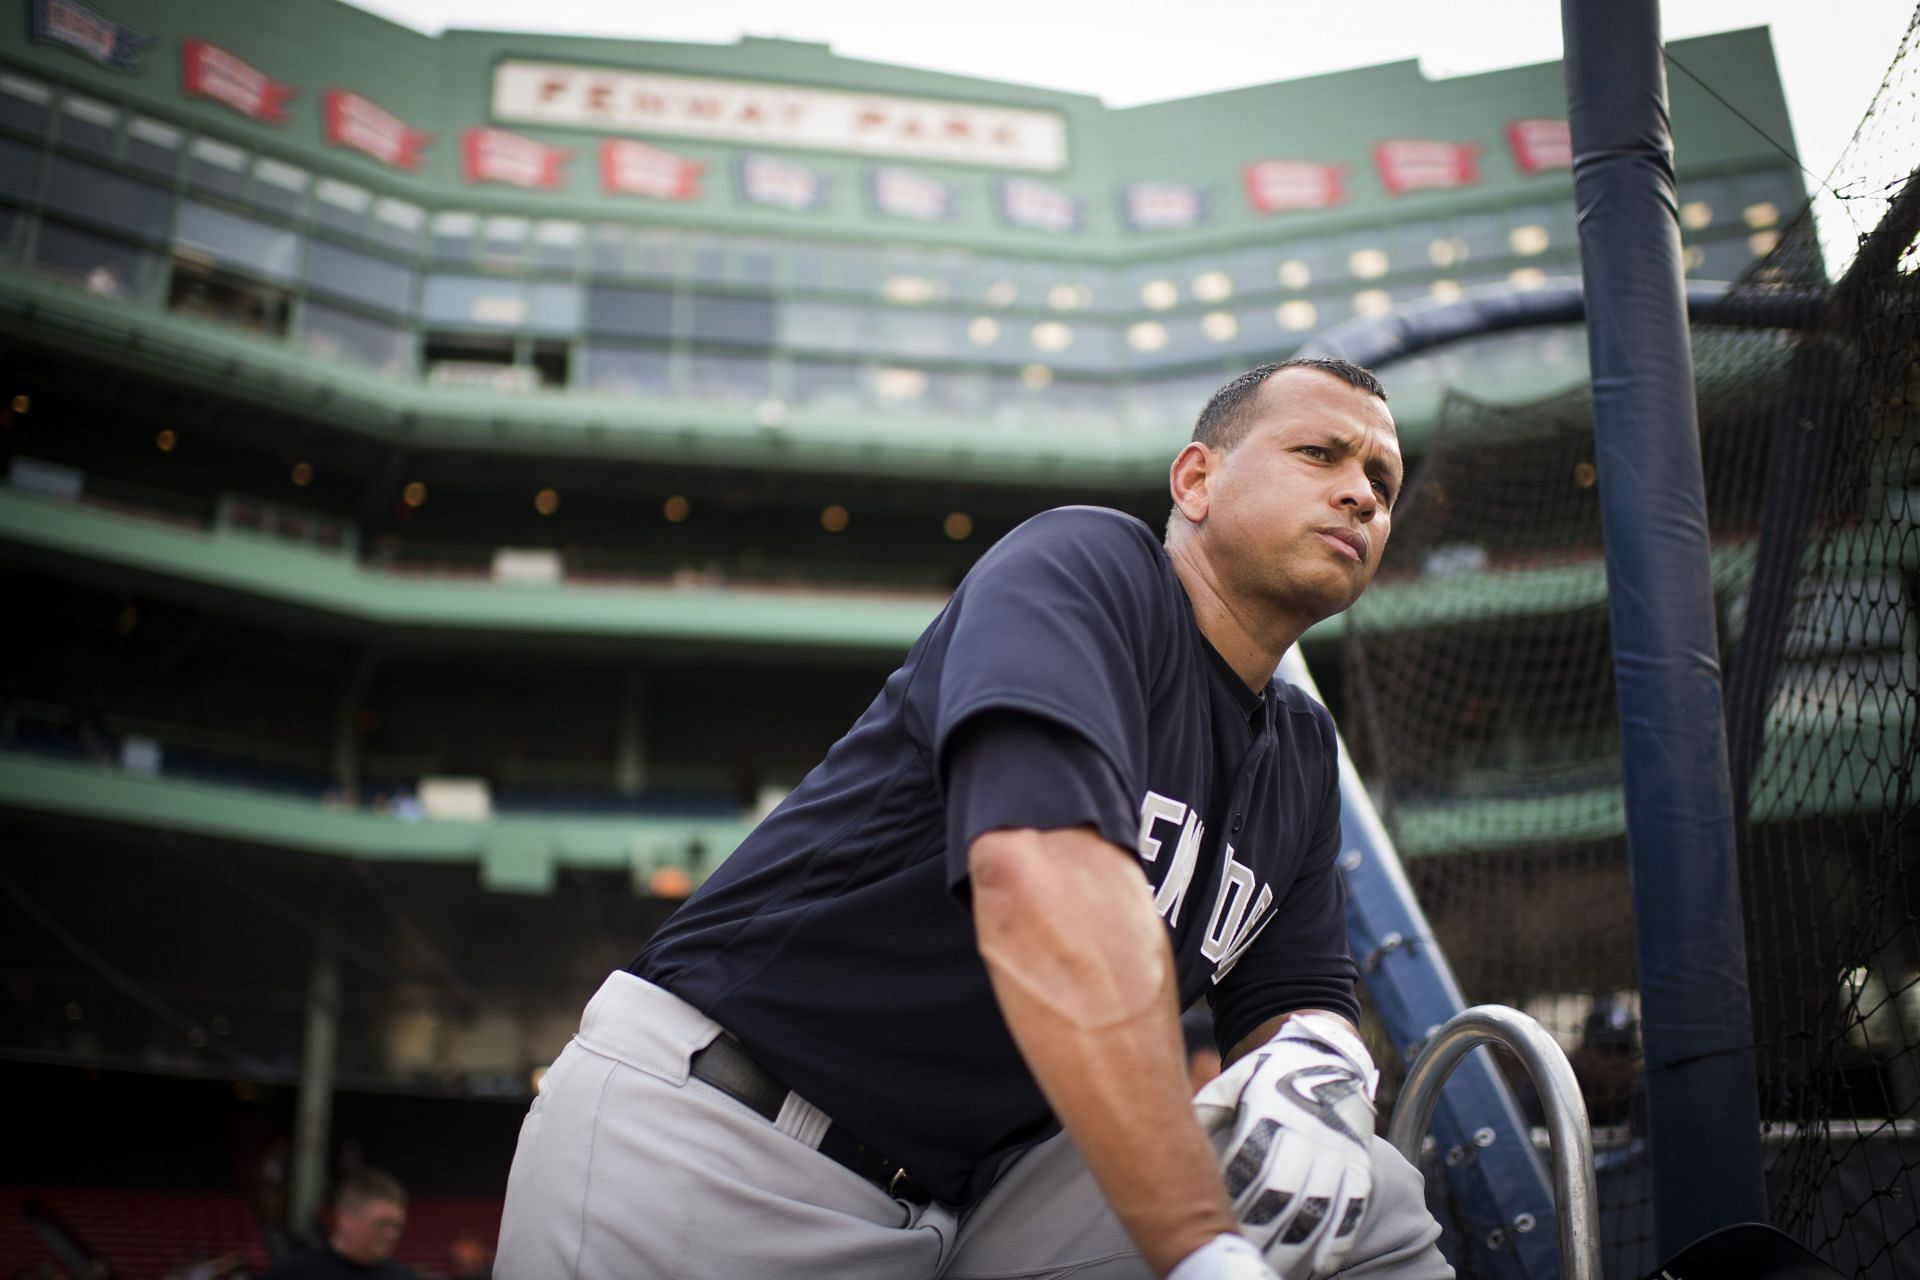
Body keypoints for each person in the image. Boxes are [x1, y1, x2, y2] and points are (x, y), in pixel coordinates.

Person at [498, 358, 1451, 1280]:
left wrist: (1317, 1069)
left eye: (1382, 477)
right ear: (1196, 480)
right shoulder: (1093, 567)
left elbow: (1297, 997)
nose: (1363, 493)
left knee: (1364, 1194)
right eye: (1320, 455)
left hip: (978, 1208)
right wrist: (1201, 1247)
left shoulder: (1302, 749)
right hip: (728, 1143)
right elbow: (1039, 882)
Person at [262, 1168, 416, 1279]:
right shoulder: (293, 1273)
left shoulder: (403, 1276)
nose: (393, 1235)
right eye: (382, 1224)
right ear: (345, 1219)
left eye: (398, 1226)